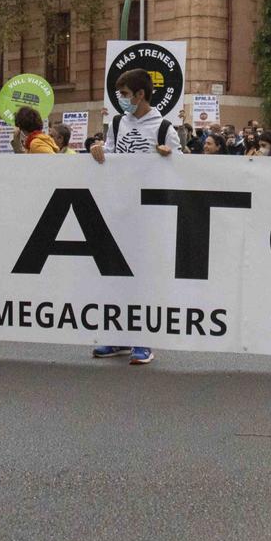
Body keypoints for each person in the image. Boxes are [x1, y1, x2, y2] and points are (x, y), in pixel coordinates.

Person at [87, 68, 176, 365]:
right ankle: (119, 335)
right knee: (118, 275)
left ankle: (143, 338)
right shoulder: (116, 123)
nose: (120, 100)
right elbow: (111, 159)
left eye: (125, 94)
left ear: (140, 94)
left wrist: (169, 157)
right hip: (120, 211)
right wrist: (98, 150)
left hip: (149, 215)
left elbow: (184, 170)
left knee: (144, 276)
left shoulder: (164, 127)